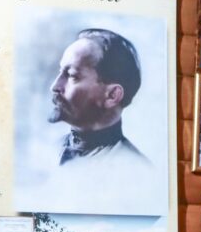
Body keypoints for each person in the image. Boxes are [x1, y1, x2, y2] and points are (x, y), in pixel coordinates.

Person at [50, 28, 151, 176]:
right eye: (60, 72)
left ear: (112, 95)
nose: (54, 87)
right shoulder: (47, 153)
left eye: (72, 76)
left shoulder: (135, 171)